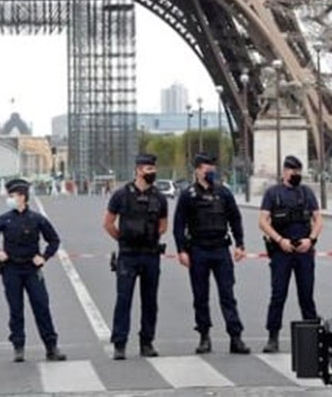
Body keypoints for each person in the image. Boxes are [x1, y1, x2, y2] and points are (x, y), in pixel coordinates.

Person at [173, 153, 251, 355]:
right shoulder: (188, 195)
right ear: (198, 170)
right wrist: (181, 250)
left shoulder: (223, 193)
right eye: (207, 168)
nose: (211, 171)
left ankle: (235, 337)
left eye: (213, 167)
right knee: (200, 297)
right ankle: (204, 336)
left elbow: (235, 219)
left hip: (220, 249)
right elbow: (179, 225)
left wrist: (240, 244)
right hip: (198, 249)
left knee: (228, 295)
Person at [0, 178, 67, 363]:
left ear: (22, 197)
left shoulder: (37, 219)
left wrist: (44, 257)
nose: (9, 199)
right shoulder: (3, 220)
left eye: (12, 196)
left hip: (31, 269)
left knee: (41, 306)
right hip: (11, 269)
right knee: (16, 309)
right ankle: (18, 347)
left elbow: (54, 240)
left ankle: (51, 347)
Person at [104, 153, 169, 360]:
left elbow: (163, 225)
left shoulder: (159, 197)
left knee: (150, 301)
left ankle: (147, 342)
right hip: (128, 255)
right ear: (139, 170)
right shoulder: (121, 195)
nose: (153, 172)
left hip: (150, 254)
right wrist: (123, 239)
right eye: (149, 169)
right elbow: (108, 223)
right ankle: (120, 344)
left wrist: (149, 237)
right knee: (123, 300)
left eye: (154, 169)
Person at [258, 155, 323, 353]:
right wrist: (280, 240)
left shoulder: (306, 193)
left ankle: (312, 338)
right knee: (278, 295)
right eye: (293, 171)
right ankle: (273, 337)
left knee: (306, 296)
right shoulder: (273, 193)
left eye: (298, 171)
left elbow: (318, 220)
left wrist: (310, 240)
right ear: (285, 171)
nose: (296, 174)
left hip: (304, 250)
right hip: (282, 251)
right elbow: (263, 221)